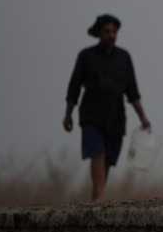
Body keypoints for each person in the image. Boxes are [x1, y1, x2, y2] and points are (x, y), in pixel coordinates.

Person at [63, 14, 150, 201]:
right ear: (99, 33)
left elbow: (132, 92)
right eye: (107, 31)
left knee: (108, 161)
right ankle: (100, 199)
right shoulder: (86, 56)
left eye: (114, 32)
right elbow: (74, 87)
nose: (111, 35)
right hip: (91, 115)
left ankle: (96, 200)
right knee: (97, 153)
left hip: (115, 117)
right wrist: (68, 114)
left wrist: (143, 118)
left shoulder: (124, 58)